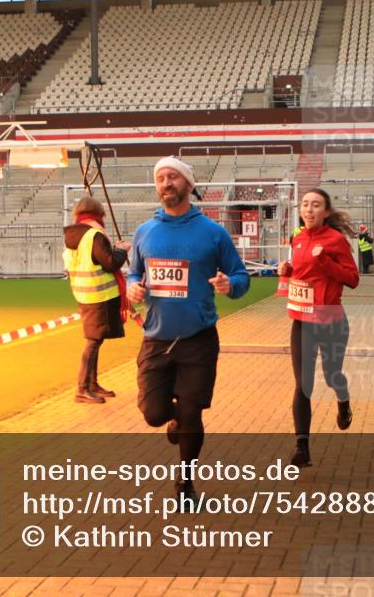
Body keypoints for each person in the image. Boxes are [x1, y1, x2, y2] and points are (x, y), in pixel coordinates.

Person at [127, 156, 250, 505]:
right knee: (153, 413)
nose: (167, 183)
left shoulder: (213, 232)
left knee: (192, 410)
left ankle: (185, 482)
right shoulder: (144, 231)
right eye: (161, 178)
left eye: (173, 177)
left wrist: (230, 284)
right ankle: (174, 420)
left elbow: (241, 277)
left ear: (189, 185)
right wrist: (133, 286)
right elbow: (134, 273)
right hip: (156, 337)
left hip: (198, 339)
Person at [277, 188, 359, 468]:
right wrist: (288, 271)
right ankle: (302, 448)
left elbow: (352, 279)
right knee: (303, 384)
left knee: (332, 374)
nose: (309, 210)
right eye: (305, 205)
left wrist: (324, 260)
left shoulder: (335, 240)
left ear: (325, 212)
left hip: (331, 321)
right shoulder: (298, 239)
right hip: (301, 321)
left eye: (316, 206)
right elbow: (303, 274)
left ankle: (343, 400)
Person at [63, 196, 130, 404]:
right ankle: (82, 388)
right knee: (93, 341)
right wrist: (121, 250)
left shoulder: (74, 236)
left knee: (96, 340)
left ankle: (92, 384)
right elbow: (110, 263)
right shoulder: (94, 235)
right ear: (98, 213)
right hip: (99, 296)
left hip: (85, 294)